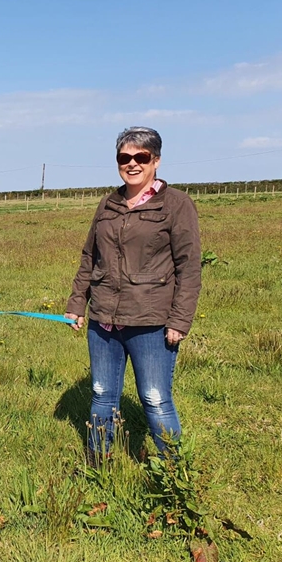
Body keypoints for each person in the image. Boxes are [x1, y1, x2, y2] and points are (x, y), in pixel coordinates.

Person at [65, 127, 201, 464]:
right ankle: (98, 464)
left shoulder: (176, 204)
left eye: (141, 157)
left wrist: (179, 321)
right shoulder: (108, 204)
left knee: (155, 398)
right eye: (125, 157)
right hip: (104, 320)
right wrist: (77, 303)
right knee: (101, 395)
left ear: (156, 160)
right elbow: (89, 256)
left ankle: (172, 473)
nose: (132, 164)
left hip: (151, 322)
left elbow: (189, 267)